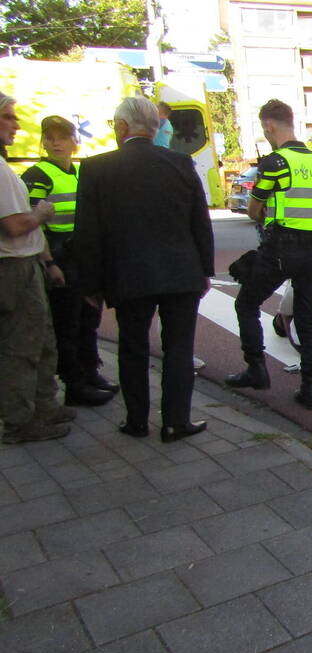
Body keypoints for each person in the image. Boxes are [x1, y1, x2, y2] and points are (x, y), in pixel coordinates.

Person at [74, 96, 214, 443]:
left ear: (122, 127)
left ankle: (137, 420)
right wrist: (204, 271)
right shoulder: (181, 164)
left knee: (133, 347)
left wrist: (90, 284)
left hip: (128, 275)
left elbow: (88, 234)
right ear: (155, 128)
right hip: (181, 273)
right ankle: (175, 422)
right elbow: (200, 223)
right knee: (179, 349)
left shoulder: (96, 168)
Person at [225, 99, 312, 410]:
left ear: (269, 125)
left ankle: (256, 368)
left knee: (246, 303)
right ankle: (310, 388)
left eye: (264, 129)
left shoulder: (275, 162)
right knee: (307, 318)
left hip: (282, 248)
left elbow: (254, 207)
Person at [22, 115, 118, 407]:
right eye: (49, 138)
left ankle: (91, 372)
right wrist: (50, 263)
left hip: (82, 257)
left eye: (62, 137)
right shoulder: (37, 174)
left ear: (74, 142)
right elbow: (33, 223)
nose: (55, 143)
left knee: (89, 318)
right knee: (67, 324)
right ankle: (74, 385)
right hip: (59, 256)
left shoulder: (80, 173)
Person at [0, 91, 72, 445]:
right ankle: (19, 421)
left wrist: (46, 261)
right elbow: (14, 225)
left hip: (26, 262)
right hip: (11, 265)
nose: (16, 125)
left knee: (42, 339)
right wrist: (41, 215)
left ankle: (44, 406)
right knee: (21, 345)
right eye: (9, 117)